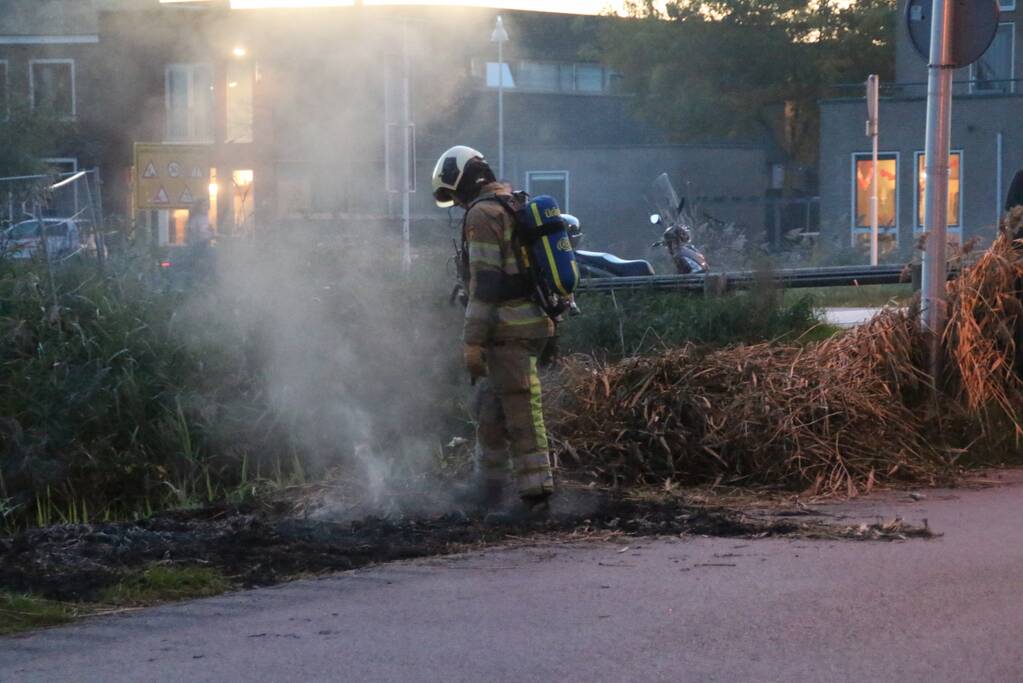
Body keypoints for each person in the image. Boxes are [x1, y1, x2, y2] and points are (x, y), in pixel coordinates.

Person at [431, 145, 556, 520]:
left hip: (509, 330)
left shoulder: (483, 214)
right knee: (491, 408)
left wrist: (472, 341)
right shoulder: (512, 203)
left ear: (462, 182)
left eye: (453, 196)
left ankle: (537, 498)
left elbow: (485, 284)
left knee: (520, 408)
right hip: (531, 321)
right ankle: (488, 489)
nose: (455, 205)